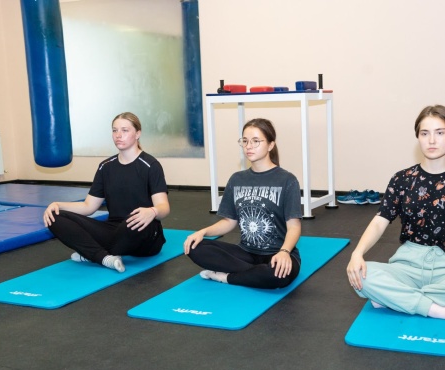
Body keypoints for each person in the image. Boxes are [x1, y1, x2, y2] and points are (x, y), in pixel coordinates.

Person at [346, 105, 445, 324]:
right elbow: (380, 221)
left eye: (440, 132)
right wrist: (357, 254)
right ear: (418, 137)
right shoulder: (402, 179)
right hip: (407, 265)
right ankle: (438, 309)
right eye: (425, 133)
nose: (432, 140)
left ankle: (394, 299)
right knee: (361, 275)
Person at [44, 112, 170, 273]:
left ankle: (90, 252)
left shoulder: (151, 165)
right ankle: (104, 257)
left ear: (138, 134)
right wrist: (57, 205)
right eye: (115, 130)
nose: (118, 135)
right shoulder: (106, 167)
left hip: (143, 231)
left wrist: (152, 211)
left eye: (125, 130)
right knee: (54, 217)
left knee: (135, 221)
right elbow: (89, 206)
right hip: (113, 230)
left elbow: (164, 207)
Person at [183, 118, 302, 289]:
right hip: (245, 253)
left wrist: (284, 252)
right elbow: (229, 221)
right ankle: (255, 274)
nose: (249, 146)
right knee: (195, 247)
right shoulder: (237, 179)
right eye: (245, 141)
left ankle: (226, 277)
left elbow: (294, 226)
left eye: (255, 141)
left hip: (278, 253)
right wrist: (203, 232)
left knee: (277, 275)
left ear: (270, 145)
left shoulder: (287, 180)